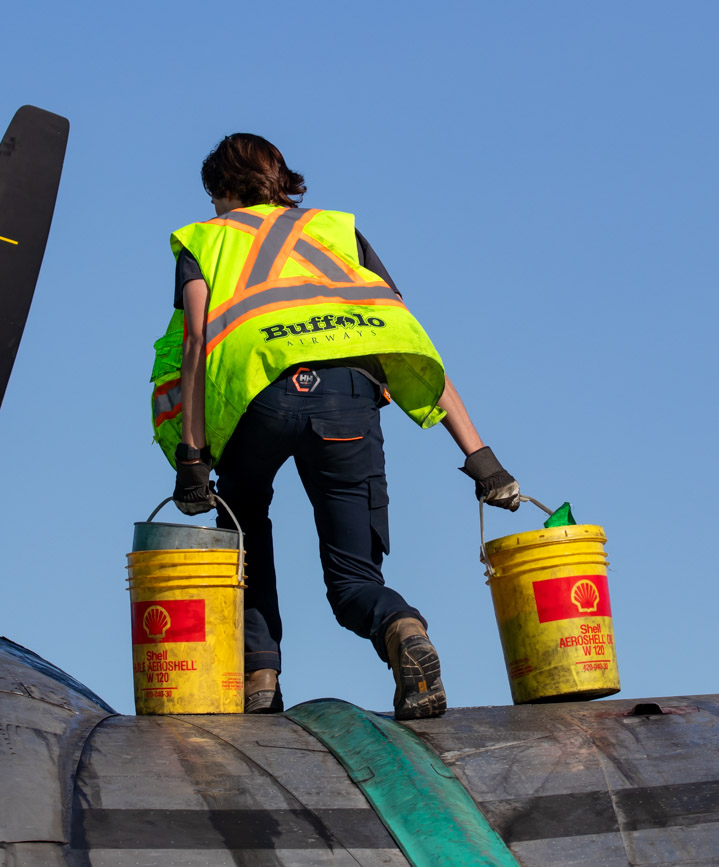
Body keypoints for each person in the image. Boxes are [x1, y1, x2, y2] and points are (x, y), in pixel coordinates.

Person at [150, 133, 520, 720]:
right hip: (349, 398)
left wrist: (191, 458)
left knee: (241, 525)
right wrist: (482, 460)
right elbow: (398, 333)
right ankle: (400, 628)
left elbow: (195, 342)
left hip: (261, 398)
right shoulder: (337, 233)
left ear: (222, 190)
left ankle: (259, 678)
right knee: (352, 581)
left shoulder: (205, 239)